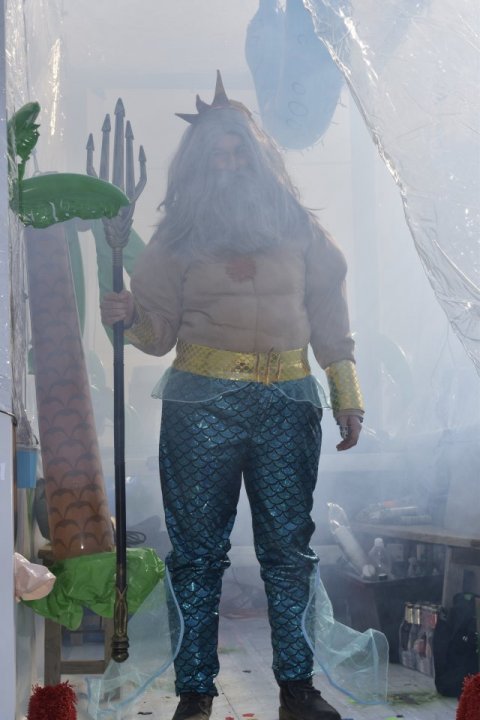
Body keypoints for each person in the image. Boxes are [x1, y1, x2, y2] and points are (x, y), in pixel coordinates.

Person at [101, 72, 364, 720]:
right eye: (215, 154)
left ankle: (298, 690)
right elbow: (157, 333)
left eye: (236, 151)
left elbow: (330, 315)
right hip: (202, 405)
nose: (227, 163)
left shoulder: (299, 230)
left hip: (288, 402)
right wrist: (129, 317)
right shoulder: (175, 239)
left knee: (289, 552)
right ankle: (195, 695)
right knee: (196, 556)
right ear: (198, 163)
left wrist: (347, 394)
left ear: (256, 155)